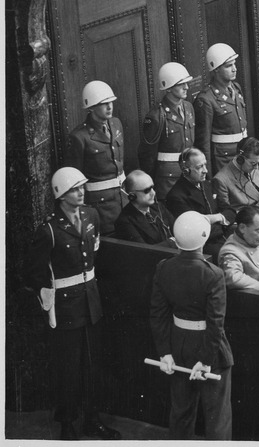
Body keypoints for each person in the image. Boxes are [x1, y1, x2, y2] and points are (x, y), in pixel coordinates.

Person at [25, 167, 121, 440]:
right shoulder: (48, 230)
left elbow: (94, 253)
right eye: (75, 190)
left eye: (82, 187)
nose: (81, 192)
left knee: (94, 364)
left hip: (91, 300)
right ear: (61, 195)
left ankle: (93, 420)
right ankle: (67, 423)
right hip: (66, 306)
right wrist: (49, 299)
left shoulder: (92, 215)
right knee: (69, 368)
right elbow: (33, 272)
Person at [149, 211, 233, 439]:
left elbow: (158, 314)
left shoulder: (164, 267)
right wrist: (206, 360)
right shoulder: (213, 274)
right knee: (217, 418)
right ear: (204, 237)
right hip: (210, 352)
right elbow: (216, 323)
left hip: (178, 347)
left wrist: (165, 352)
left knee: (181, 413)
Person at [66, 80, 125, 235]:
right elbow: (75, 178)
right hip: (101, 206)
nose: (109, 106)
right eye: (103, 103)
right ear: (91, 107)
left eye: (110, 102)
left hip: (123, 198)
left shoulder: (116, 124)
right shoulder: (79, 137)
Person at [138, 62, 195, 201]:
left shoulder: (188, 107)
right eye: (180, 84)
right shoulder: (156, 116)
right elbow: (147, 155)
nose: (186, 87)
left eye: (186, 83)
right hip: (168, 180)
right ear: (168, 87)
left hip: (190, 173)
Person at [166, 148, 233, 259]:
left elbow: (230, 211)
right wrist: (222, 219)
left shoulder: (206, 184)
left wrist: (216, 217)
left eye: (205, 165)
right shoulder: (176, 196)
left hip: (223, 236)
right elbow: (195, 231)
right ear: (185, 170)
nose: (205, 171)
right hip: (203, 247)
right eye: (199, 167)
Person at [194, 43, 247, 176]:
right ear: (216, 69)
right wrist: (208, 175)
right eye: (229, 66)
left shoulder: (236, 88)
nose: (234, 69)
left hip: (243, 154)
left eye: (234, 64)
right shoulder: (206, 99)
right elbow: (204, 143)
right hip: (223, 160)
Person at [213, 137, 259, 218]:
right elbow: (227, 214)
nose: (256, 167)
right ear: (240, 159)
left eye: (258, 163)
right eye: (253, 163)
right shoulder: (221, 180)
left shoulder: (253, 165)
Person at [115, 170, 176, 246]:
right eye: (147, 190)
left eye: (152, 187)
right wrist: (172, 242)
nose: (153, 193)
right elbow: (145, 252)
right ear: (132, 196)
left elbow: (177, 229)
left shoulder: (158, 207)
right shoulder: (125, 221)